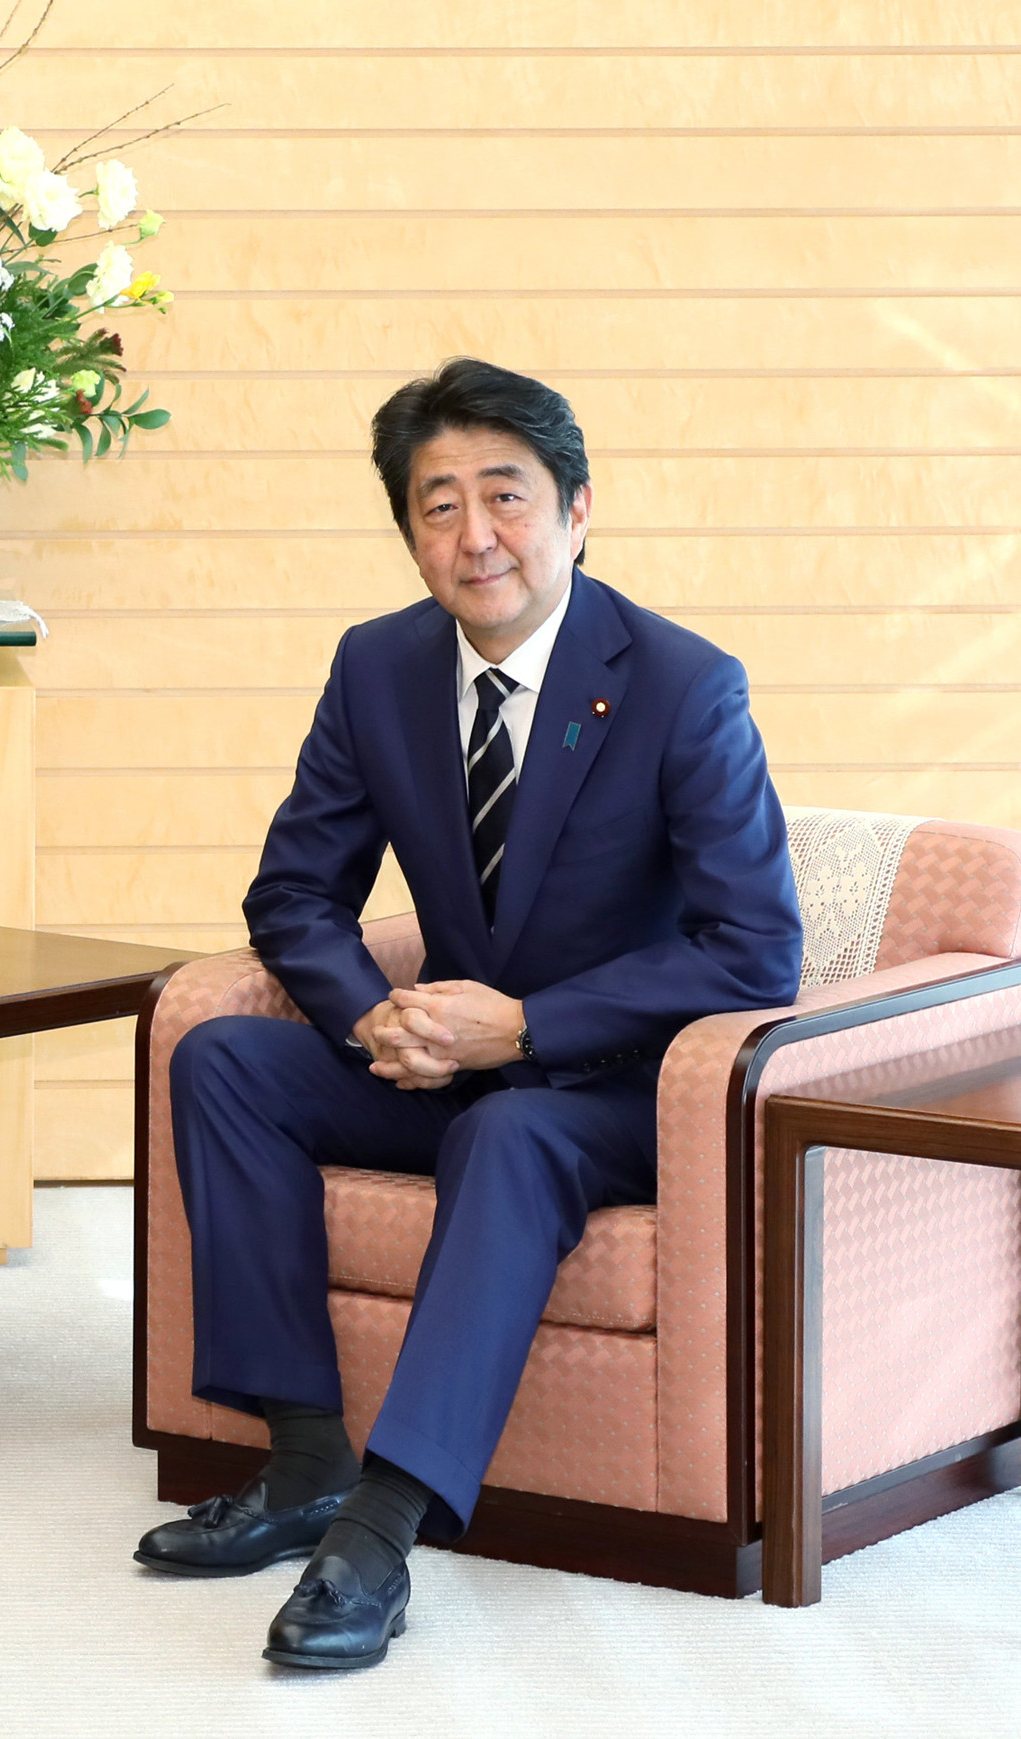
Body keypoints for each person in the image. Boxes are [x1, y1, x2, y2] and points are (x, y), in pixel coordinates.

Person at [132, 359, 802, 1669]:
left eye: (507, 495)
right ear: (408, 530)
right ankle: (305, 1462)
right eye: (438, 505)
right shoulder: (378, 666)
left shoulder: (681, 684)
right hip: (441, 1061)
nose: (474, 533)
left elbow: (754, 950)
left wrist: (525, 1027)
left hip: (611, 1088)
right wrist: (377, 1016)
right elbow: (295, 890)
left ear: (578, 506)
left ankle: (377, 1533)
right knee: (224, 1057)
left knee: (510, 1138)